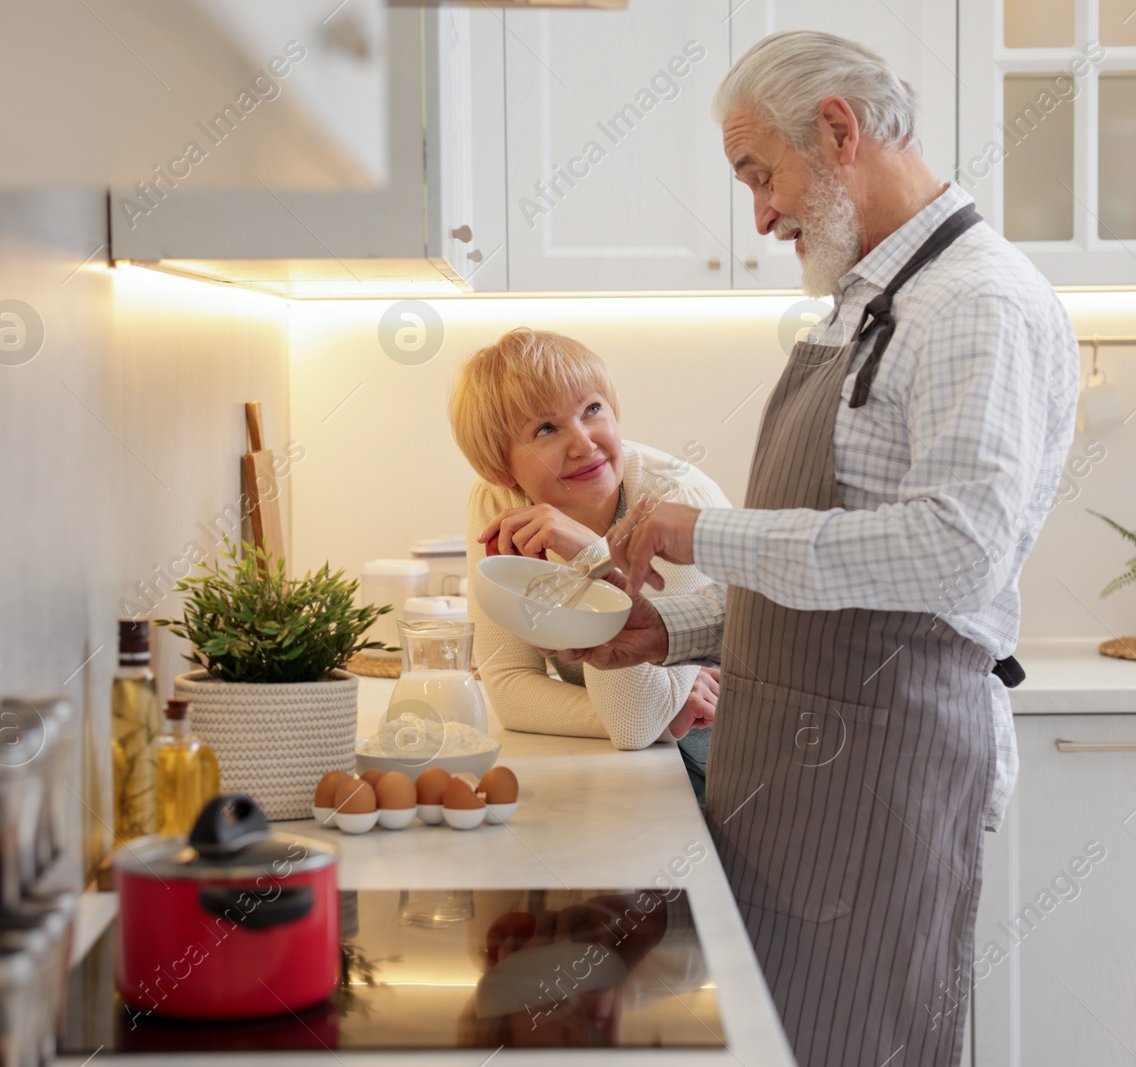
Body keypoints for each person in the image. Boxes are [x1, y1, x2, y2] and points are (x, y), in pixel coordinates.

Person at [551, 31, 1081, 1067]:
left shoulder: (976, 303)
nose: (757, 212)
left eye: (760, 172)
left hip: (882, 778)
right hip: (790, 782)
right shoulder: (870, 302)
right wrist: (680, 626)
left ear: (837, 130)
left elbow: (954, 550)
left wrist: (700, 532)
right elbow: (848, 562)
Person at [448, 327, 729, 803]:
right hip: (641, 763)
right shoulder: (496, 501)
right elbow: (511, 688)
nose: (585, 443)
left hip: (731, 761)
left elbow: (634, 725)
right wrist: (662, 714)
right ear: (501, 467)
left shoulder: (673, 499)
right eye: (545, 429)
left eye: (592, 409)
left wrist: (590, 554)